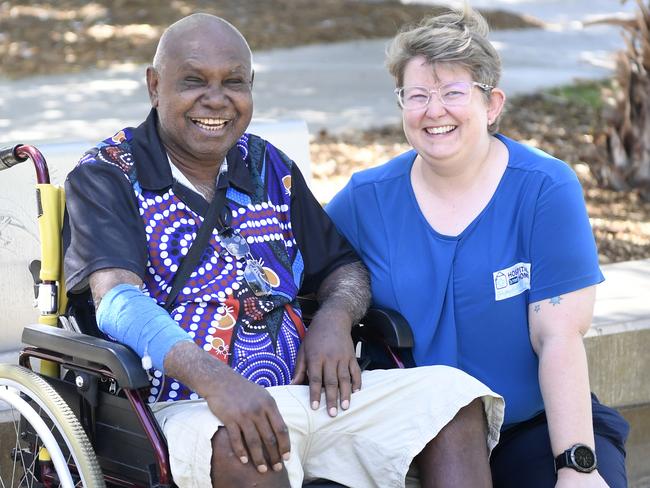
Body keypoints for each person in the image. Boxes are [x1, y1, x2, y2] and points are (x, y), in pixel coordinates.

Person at [63, 13, 504, 488]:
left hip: (309, 394)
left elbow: (342, 267)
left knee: (453, 402)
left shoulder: (267, 165)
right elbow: (118, 300)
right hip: (186, 408)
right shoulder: (108, 173)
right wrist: (217, 382)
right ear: (154, 85)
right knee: (247, 442)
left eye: (234, 82)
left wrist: (335, 319)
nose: (216, 99)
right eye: (194, 81)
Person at [326, 7, 629, 488]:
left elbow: (558, 338)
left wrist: (575, 465)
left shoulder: (544, 189)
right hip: (413, 437)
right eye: (418, 95)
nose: (434, 110)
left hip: (531, 427)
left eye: (453, 92)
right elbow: (294, 259)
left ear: (492, 105)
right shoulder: (367, 199)